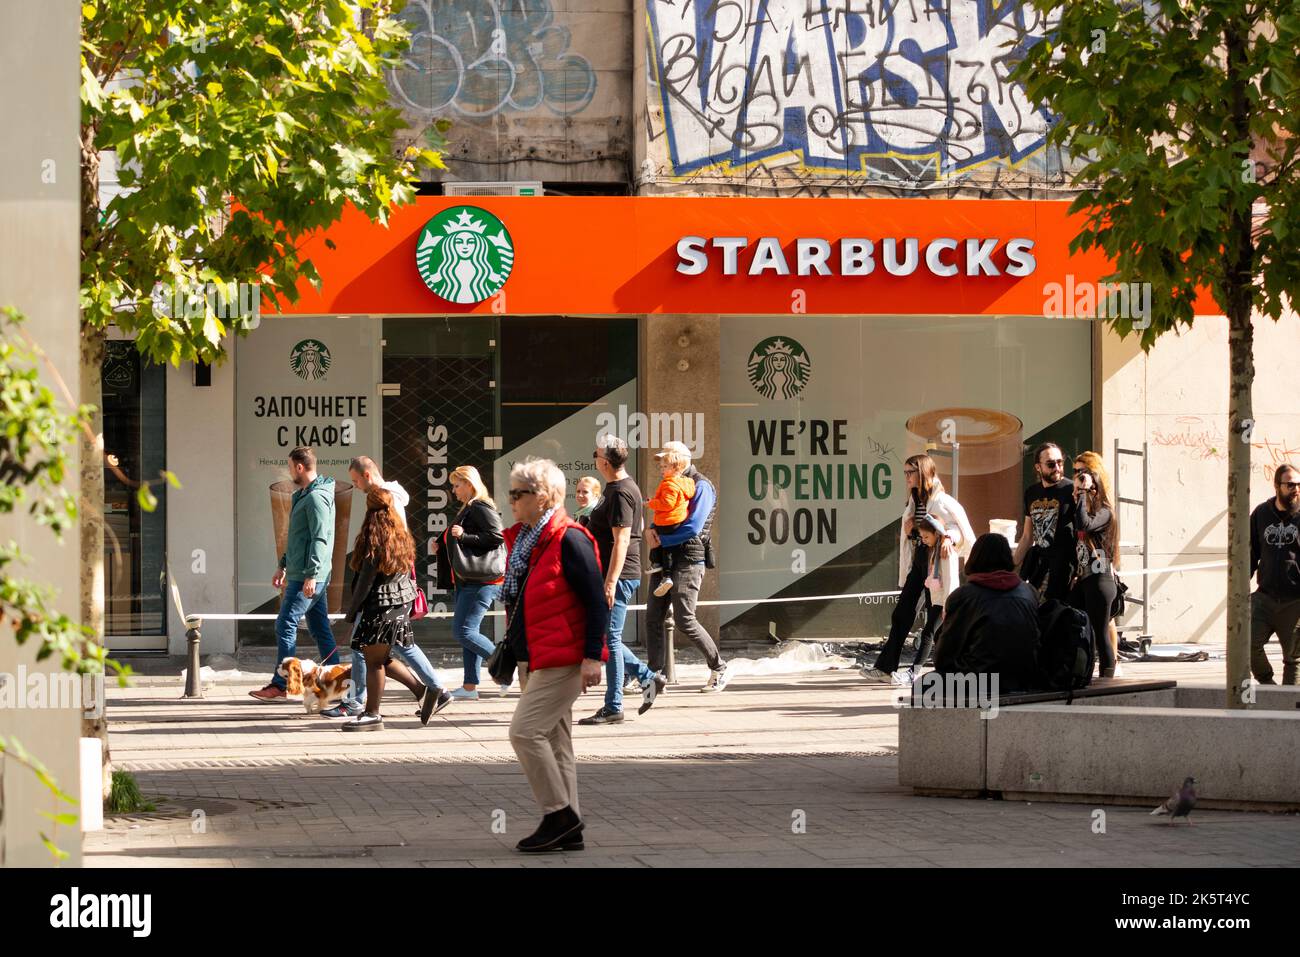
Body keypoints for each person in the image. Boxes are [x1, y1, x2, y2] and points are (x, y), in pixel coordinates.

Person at [502, 458, 606, 852]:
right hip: (537, 654)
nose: (511, 501)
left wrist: (592, 656)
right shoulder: (531, 541)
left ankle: (557, 815)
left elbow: (597, 601)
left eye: (518, 494)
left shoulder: (570, 538)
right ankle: (571, 827)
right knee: (557, 741)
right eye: (510, 493)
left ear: (543, 497)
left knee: (524, 732)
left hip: (564, 656)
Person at [324, 456, 450, 720]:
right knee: (397, 646)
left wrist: (355, 605)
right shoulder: (393, 501)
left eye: (357, 481)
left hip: (383, 592)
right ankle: (434, 690)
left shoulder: (383, 506)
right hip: (396, 589)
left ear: (368, 476)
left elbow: (375, 562)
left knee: (368, 649)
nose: (357, 487)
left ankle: (361, 705)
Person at [863, 453, 974, 686]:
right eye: (905, 473)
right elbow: (922, 533)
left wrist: (948, 538)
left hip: (937, 563)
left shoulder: (943, 501)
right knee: (902, 613)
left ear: (922, 472)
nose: (906, 478)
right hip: (921, 560)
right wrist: (911, 527)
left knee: (935, 621)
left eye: (910, 472)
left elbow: (960, 529)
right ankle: (886, 667)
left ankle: (921, 671)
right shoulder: (916, 500)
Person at [579, 436, 666, 725]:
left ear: (604, 462)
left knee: (610, 639)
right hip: (611, 573)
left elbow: (624, 538)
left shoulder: (621, 492)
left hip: (619, 574)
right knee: (606, 636)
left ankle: (614, 705)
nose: (594, 458)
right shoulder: (617, 488)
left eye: (595, 454)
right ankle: (647, 678)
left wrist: (610, 582)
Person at [341, 487, 444, 731]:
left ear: (370, 509)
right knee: (381, 657)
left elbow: (365, 580)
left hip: (379, 604)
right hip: (399, 603)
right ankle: (424, 691)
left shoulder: (372, 537)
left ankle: (371, 715)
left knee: (374, 661)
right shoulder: (401, 535)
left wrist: (352, 612)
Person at [252, 447, 340, 700]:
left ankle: (283, 684)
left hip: (307, 576)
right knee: (320, 627)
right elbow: (298, 538)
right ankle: (337, 679)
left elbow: (320, 539)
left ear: (300, 467)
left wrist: (311, 574)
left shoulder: (315, 498)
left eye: (290, 466)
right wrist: (283, 565)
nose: (290, 471)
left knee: (285, 624)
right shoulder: (304, 495)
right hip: (302, 572)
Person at [644, 441, 729, 692]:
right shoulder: (671, 481)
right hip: (665, 558)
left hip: (689, 559)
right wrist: (653, 530)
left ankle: (718, 668)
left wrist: (661, 538)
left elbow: (693, 526)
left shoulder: (701, 485)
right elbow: (664, 515)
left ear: (677, 460)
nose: (661, 466)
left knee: (684, 618)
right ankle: (654, 676)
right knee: (652, 617)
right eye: (660, 462)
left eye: (664, 461)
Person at [932, 533, 1039, 694]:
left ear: (975, 557)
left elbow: (943, 658)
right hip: (1025, 678)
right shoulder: (1029, 591)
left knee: (926, 685)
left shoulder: (963, 596)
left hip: (980, 680)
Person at [433, 465, 506, 700]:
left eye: (456, 485)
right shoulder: (468, 508)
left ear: (469, 484)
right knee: (469, 632)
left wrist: (463, 536)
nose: (453, 490)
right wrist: (443, 543)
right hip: (469, 580)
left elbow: (496, 536)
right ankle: (469, 687)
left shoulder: (479, 506)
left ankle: (504, 667)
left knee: (463, 631)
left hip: (481, 581)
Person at [1067, 455, 1119, 678]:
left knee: (1100, 630)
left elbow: (1084, 524)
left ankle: (1107, 676)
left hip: (1100, 578)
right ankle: (1082, 670)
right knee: (1074, 621)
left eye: (1088, 488)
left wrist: (1082, 494)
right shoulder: (1081, 509)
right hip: (1085, 578)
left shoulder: (1105, 512)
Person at [1249, 463, 1300, 685]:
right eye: (1290, 484)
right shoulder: (1261, 514)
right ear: (1277, 486)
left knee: (1293, 660)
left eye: (1298, 484)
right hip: (1264, 597)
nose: (1295, 488)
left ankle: (1290, 710)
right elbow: (1250, 553)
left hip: (1295, 601)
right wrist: (1241, 588)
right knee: (1248, 645)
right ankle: (1269, 688)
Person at [1014, 442, 1075, 602]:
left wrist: (1083, 570)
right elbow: (1027, 537)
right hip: (1039, 565)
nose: (1057, 467)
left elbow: (1087, 532)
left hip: (1064, 566)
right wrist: (1011, 565)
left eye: (1060, 462)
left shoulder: (1071, 490)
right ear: (1038, 467)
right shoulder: (1031, 492)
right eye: (1050, 464)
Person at [644, 449, 695, 597]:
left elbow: (666, 504)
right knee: (665, 545)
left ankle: (664, 574)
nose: (661, 469)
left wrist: (651, 504)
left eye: (664, 467)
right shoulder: (684, 483)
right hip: (676, 519)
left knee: (664, 545)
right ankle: (659, 566)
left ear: (675, 468)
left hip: (668, 520)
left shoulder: (669, 484)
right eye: (661, 466)